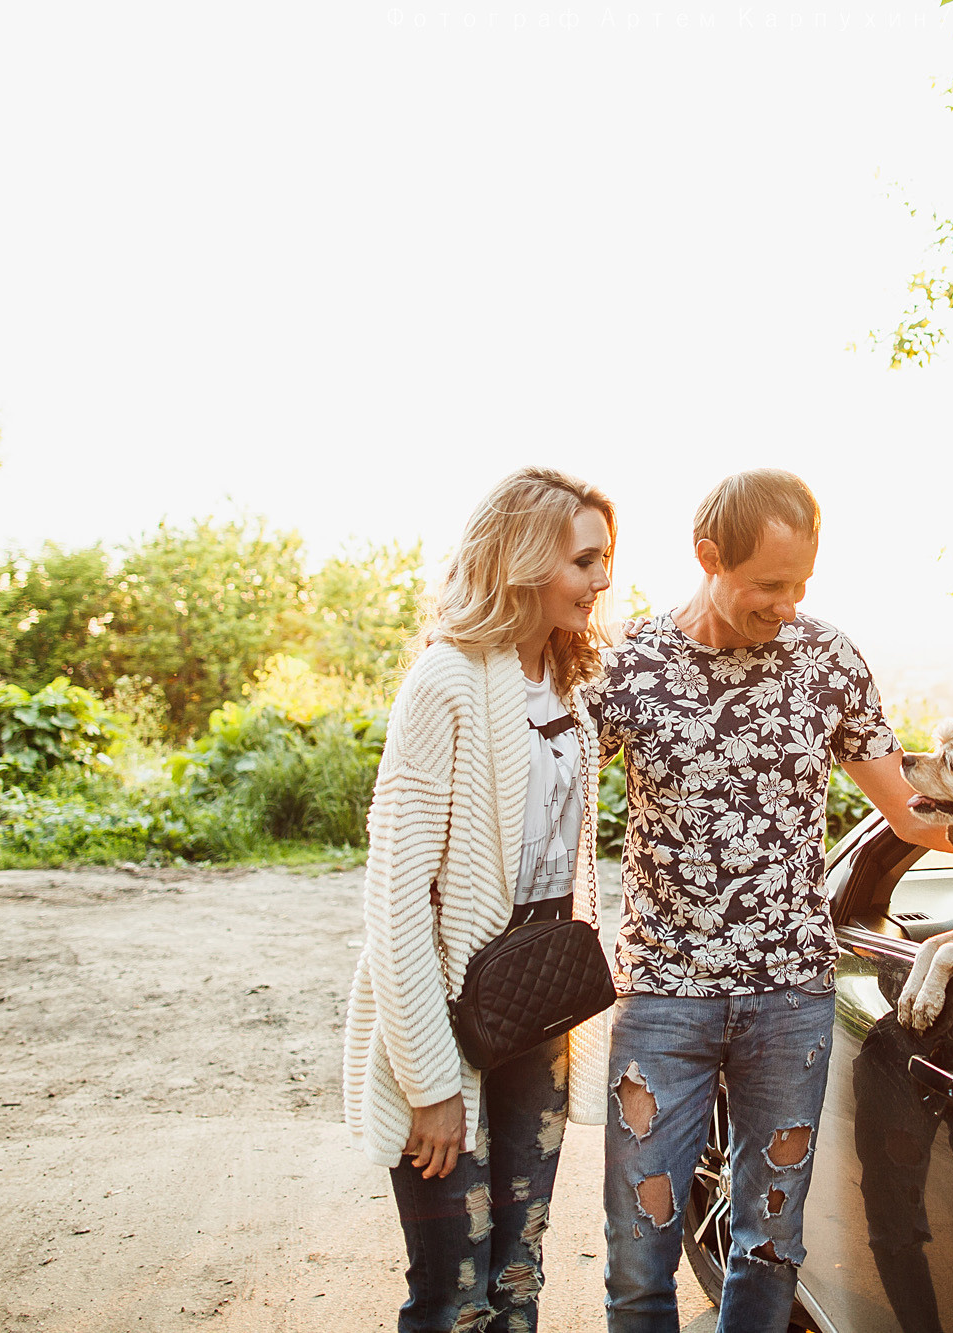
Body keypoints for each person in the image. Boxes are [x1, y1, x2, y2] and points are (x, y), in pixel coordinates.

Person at [586, 469, 953, 1332]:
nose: (789, 606)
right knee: (638, 1251)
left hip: (790, 1000)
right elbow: (551, 797)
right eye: (770, 585)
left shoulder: (830, 660)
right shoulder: (629, 664)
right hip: (663, 997)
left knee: (770, 1246)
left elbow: (914, 813)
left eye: (803, 584)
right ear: (709, 557)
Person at [343, 466, 615, 1333]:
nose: (602, 580)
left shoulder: (569, 679)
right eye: (584, 560)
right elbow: (395, 899)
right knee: (454, 1298)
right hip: (450, 1013)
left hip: (541, 1008)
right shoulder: (445, 681)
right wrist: (430, 1081)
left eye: (605, 559)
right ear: (524, 559)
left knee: (518, 1278)